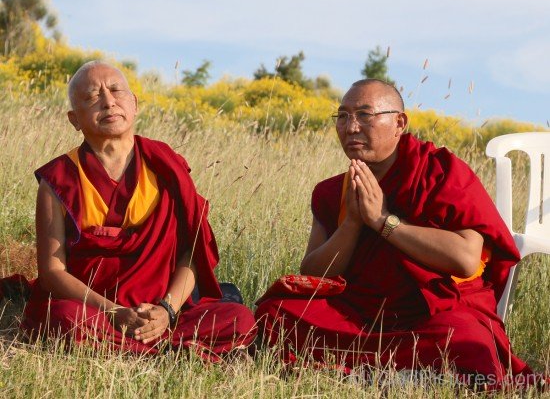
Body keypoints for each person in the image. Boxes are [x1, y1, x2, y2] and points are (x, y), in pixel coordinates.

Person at [255, 79, 535, 387]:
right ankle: (402, 375)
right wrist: (352, 223)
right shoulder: (332, 191)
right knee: (275, 313)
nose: (350, 127)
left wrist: (383, 221)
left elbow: (466, 259)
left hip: (427, 315)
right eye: (343, 116)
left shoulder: (438, 172)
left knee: (466, 340)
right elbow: (313, 272)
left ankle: (360, 371)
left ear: (399, 122)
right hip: (357, 313)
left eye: (364, 115)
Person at [22, 61, 256, 358]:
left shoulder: (166, 165)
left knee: (239, 318)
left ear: (134, 104)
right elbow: (52, 272)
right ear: (74, 119)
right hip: (98, 311)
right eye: (93, 97)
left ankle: (145, 341)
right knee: (63, 318)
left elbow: (193, 251)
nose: (108, 102)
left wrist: (167, 310)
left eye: (117, 91)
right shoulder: (59, 179)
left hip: (161, 312)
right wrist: (115, 312)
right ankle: (170, 349)